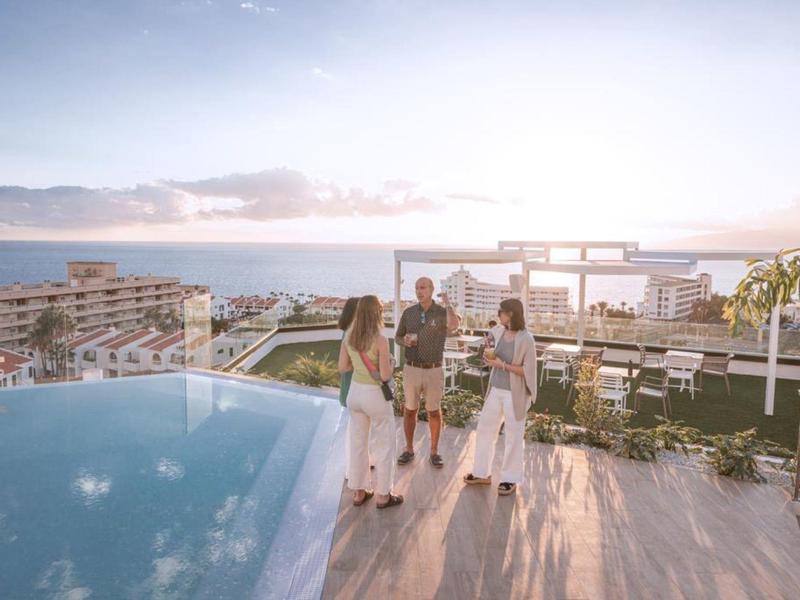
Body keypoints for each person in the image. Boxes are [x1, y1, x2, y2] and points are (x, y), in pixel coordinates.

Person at [464, 298, 537, 496]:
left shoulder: (526, 339)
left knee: (513, 436)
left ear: (511, 314)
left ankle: (510, 478)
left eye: (501, 311)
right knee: (485, 430)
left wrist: (501, 365)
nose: (498, 314)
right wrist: (488, 357)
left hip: (515, 393)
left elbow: (527, 371)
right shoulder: (498, 331)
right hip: (495, 390)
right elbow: (488, 353)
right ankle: (481, 472)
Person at [338, 295, 403, 509]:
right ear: (377, 313)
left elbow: (342, 367)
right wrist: (391, 363)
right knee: (384, 444)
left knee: (358, 443)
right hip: (374, 395)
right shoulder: (380, 340)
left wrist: (359, 367)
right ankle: (384, 496)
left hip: (354, 394)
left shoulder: (349, 336)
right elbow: (384, 376)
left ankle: (359, 492)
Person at [395, 277, 459, 468]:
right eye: (416, 288)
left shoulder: (441, 311)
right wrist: (403, 341)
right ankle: (408, 449)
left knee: (433, 412)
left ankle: (434, 452)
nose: (419, 291)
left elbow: (454, 325)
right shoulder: (409, 313)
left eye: (422, 287)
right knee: (409, 410)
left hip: (433, 370)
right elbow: (397, 336)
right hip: (412, 368)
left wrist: (448, 304)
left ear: (431, 290)